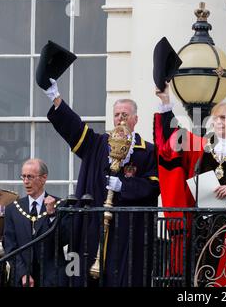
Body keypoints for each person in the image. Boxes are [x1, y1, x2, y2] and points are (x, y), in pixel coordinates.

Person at [41, 79, 160, 286]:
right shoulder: (97, 144)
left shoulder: (148, 150)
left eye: (125, 114)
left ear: (135, 119)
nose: (120, 119)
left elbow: (153, 186)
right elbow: (74, 127)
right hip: (93, 227)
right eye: (117, 114)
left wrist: (124, 186)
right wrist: (56, 97)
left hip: (129, 232)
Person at [154, 83, 226, 287]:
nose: (220, 121)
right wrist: (166, 103)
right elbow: (176, 138)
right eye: (216, 118)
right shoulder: (202, 147)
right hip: (203, 226)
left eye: (224, 117)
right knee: (200, 278)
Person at [3, 158, 65, 287]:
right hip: (22, 280)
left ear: (43, 178)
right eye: (23, 177)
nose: (25, 182)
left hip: (52, 278)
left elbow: (64, 239)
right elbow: (10, 246)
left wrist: (52, 214)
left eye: (30, 177)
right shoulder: (12, 209)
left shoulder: (60, 206)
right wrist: (22, 274)